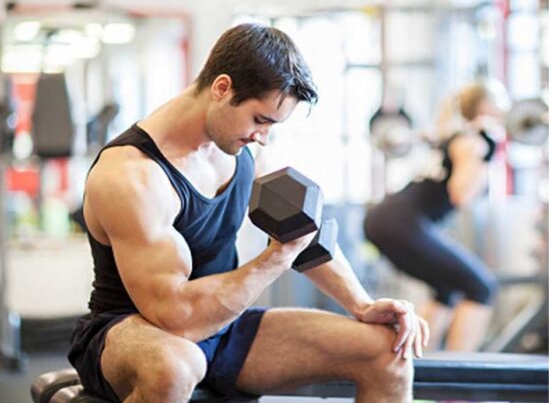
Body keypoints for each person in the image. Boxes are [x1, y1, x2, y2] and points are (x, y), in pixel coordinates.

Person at [68, 23, 428, 403]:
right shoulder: (132, 174)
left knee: (388, 349)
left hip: (222, 326)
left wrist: (363, 304)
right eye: (260, 120)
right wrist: (276, 258)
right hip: (136, 330)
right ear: (222, 88)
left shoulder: (240, 148)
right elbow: (175, 315)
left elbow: (304, 229)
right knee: (174, 366)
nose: (263, 137)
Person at [364, 82, 509, 352]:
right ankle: (460, 373)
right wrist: (486, 156)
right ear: (486, 107)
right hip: (400, 221)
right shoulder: (472, 143)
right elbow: (461, 194)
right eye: (500, 104)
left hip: (384, 219)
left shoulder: (454, 135)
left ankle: (418, 361)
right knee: (481, 287)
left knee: (446, 288)